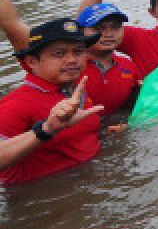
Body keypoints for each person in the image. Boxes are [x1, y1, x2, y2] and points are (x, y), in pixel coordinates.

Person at [0, 19, 106, 185]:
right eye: (59, 53)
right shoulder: (15, 104)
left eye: (78, 51)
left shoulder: (76, 89)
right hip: (42, 198)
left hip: (88, 183)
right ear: (32, 62)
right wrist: (46, 130)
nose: (72, 60)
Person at [77, 3, 141, 114]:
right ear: (81, 32)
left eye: (115, 27)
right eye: (98, 28)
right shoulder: (71, 66)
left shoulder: (128, 65)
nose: (109, 34)